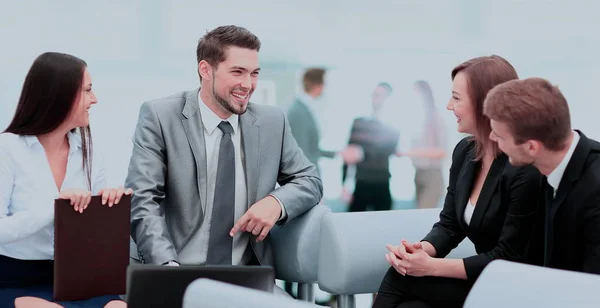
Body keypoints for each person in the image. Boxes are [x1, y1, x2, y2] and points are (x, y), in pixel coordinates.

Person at [125, 25, 322, 295]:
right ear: (206, 70)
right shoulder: (160, 116)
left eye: (254, 74)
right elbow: (143, 200)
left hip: (246, 280)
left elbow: (310, 180)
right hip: (174, 270)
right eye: (237, 72)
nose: (248, 84)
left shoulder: (271, 122)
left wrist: (275, 202)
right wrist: (166, 271)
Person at [372, 55, 543, 308]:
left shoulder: (523, 166)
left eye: (456, 98)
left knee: (402, 278)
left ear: (486, 103)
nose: (448, 106)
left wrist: (431, 267)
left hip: (517, 287)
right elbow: (450, 224)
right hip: (484, 280)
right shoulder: (465, 152)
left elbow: (509, 256)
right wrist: (422, 251)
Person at [0, 52, 129, 308]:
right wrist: (55, 207)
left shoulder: (91, 151)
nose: (95, 99)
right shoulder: (7, 149)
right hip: (14, 279)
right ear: (59, 95)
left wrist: (106, 208)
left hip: (78, 278)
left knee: (118, 306)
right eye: (88, 90)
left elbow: (93, 237)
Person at [484, 77, 600, 274]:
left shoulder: (595, 191)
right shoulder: (549, 168)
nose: (491, 137)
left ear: (532, 147)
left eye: (499, 136)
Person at [342, 82, 400, 212]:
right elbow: (349, 154)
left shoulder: (393, 126)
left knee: (384, 226)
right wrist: (344, 185)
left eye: (381, 95)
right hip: (361, 183)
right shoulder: (358, 123)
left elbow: (388, 151)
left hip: (382, 183)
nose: (377, 98)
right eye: (375, 94)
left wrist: (362, 153)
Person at [398, 80, 447, 209]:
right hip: (418, 174)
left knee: (424, 214)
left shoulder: (437, 118)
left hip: (432, 176)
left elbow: (441, 152)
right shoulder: (417, 120)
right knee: (420, 216)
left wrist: (408, 153)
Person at [287, 68, 337, 175]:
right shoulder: (298, 112)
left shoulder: (306, 108)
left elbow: (311, 148)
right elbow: (302, 153)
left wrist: (336, 154)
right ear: (318, 86)